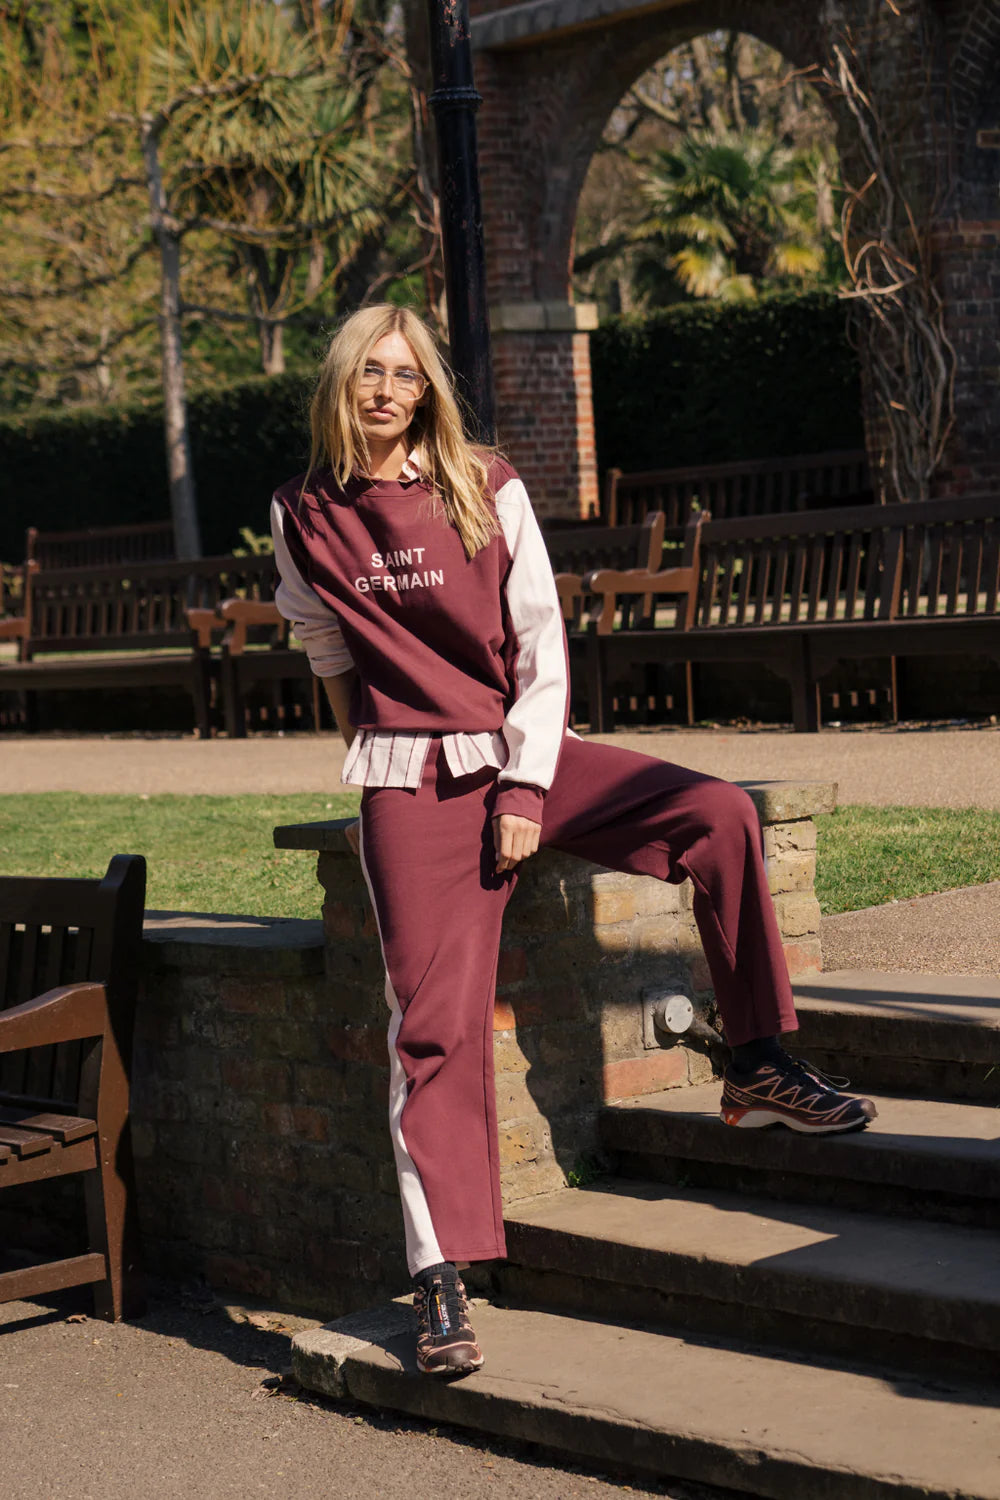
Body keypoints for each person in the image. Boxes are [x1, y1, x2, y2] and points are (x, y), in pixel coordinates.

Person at [270, 304, 877, 1379]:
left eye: (405, 375)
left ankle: (756, 1063)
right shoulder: (301, 512)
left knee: (720, 814)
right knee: (431, 1029)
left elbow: (541, 648)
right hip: (412, 783)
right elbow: (327, 650)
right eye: (369, 371)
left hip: (524, 751)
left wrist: (525, 785)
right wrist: (375, 757)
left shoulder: (483, 484)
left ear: (427, 390)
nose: (386, 391)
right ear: (339, 381)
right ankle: (440, 1276)